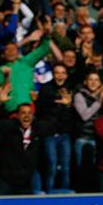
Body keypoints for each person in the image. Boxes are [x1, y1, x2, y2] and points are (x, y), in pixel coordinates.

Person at [0, 88, 45, 194]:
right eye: (23, 113)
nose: (27, 116)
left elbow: (51, 121)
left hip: (25, 183)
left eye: (29, 113)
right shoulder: (9, 129)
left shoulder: (37, 131)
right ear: (17, 115)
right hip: (6, 182)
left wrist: (37, 103)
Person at [36, 63, 74, 192]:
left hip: (64, 134)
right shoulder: (46, 89)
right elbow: (41, 109)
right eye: (57, 72)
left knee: (66, 167)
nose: (60, 75)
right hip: (49, 134)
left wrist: (68, 105)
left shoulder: (70, 89)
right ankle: (49, 194)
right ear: (53, 74)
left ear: (67, 75)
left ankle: (65, 194)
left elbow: (73, 113)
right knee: (51, 166)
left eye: (63, 73)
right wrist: (58, 101)